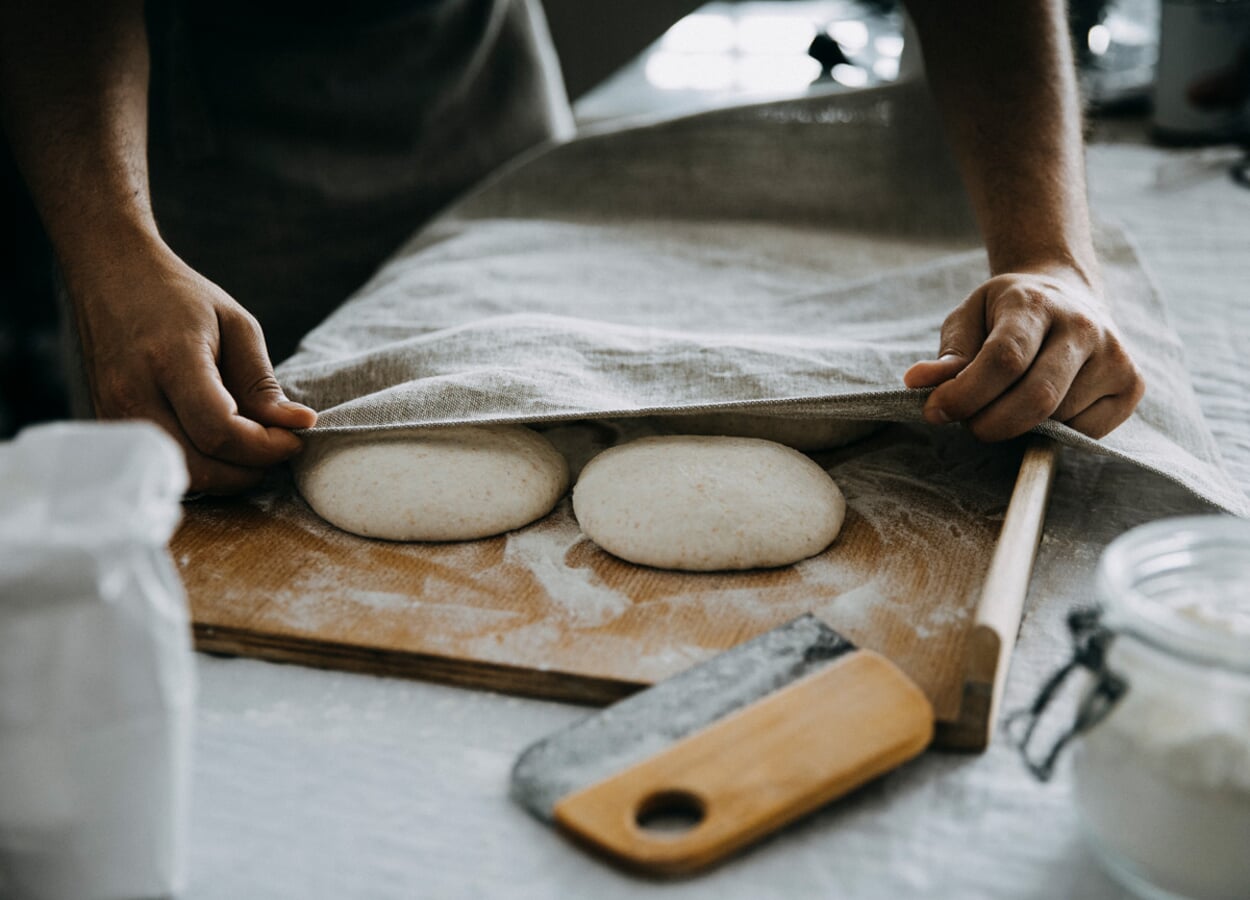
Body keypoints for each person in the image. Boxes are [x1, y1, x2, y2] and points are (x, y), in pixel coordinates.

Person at [0, 0, 1144, 495]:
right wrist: (114, 250)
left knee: (545, 382)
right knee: (242, 445)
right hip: (199, 113)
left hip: (467, 69)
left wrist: (1047, 252)